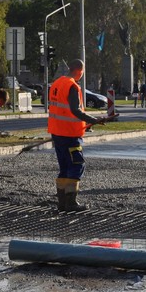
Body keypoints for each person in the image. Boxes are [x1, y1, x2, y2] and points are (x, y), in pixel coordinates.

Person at [48, 59, 107, 212]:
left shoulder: (56, 83)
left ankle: (62, 202)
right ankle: (71, 203)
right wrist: (94, 120)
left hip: (57, 132)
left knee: (64, 167)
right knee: (76, 164)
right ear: (79, 70)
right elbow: (75, 110)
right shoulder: (72, 86)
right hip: (70, 134)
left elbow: (62, 110)